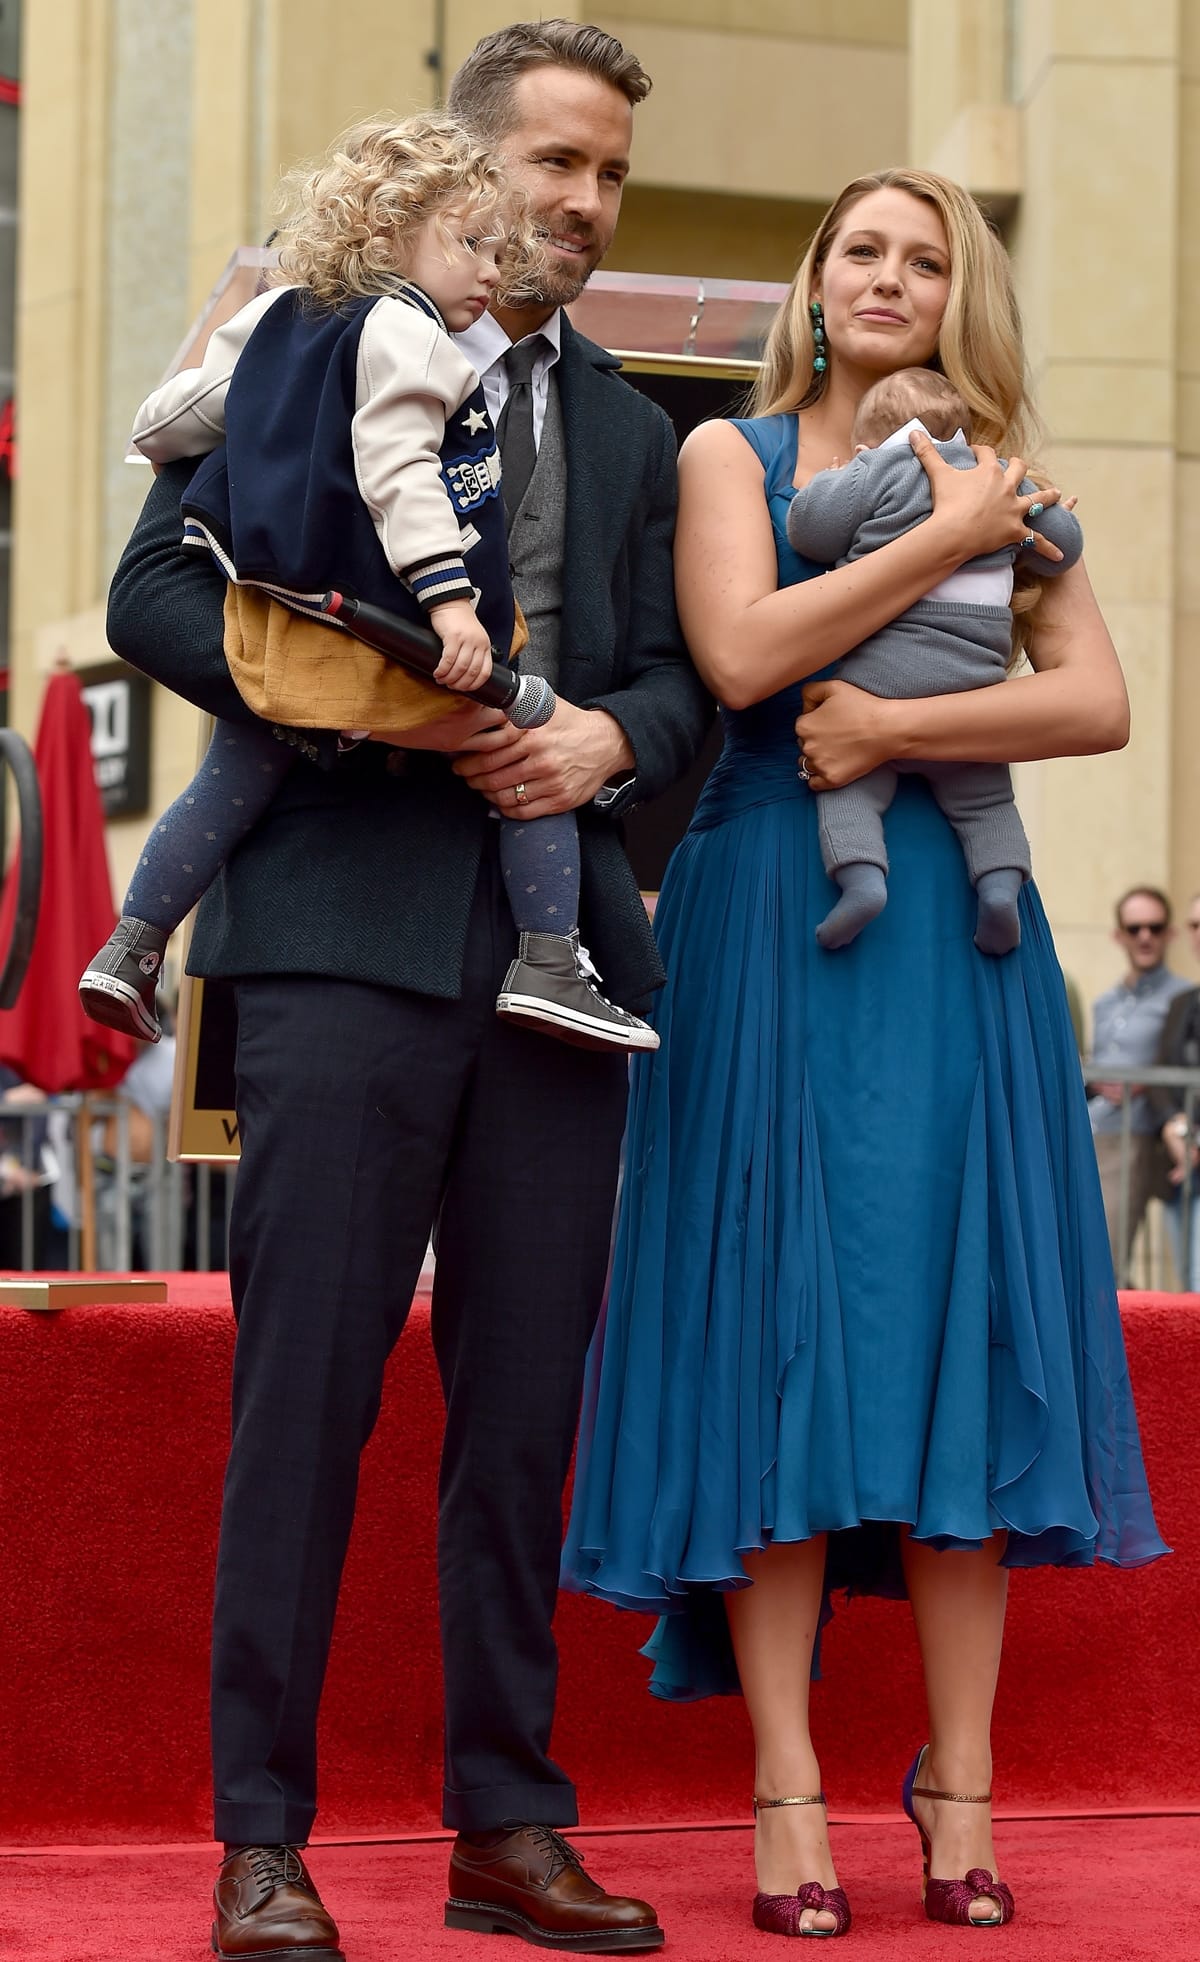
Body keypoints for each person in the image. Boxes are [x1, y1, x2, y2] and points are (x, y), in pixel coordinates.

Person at [104, 20, 710, 1960]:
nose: (587, 206)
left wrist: (605, 750)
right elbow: (154, 593)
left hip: (557, 974)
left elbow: (691, 692)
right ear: (466, 171)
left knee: (522, 1414)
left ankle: (504, 1826)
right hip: (331, 946)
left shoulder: (635, 428)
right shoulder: (302, 340)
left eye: (613, 174)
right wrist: (347, 689)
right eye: (556, 166)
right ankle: (260, 1843)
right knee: (304, 1400)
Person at [562, 166, 1167, 1939]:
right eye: (862, 251)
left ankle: (960, 1784)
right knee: (778, 1345)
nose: (891, 275)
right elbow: (746, 654)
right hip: (766, 924)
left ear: (957, 291)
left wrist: (904, 713)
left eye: (927, 255)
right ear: (816, 285)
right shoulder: (728, 460)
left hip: (955, 944)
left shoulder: (1011, 472)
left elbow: (1097, 701)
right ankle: (787, 1787)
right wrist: (944, 540)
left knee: (959, 1340)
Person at [80, 115, 655, 1057]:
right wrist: (453, 603)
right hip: (393, 621)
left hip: (277, 613)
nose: (488, 270)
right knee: (530, 727)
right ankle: (550, 959)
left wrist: (155, 445)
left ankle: (134, 940)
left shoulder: (280, 315)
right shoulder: (410, 334)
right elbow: (401, 474)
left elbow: (185, 407)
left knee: (238, 765)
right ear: (391, 233)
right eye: (472, 244)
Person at [784, 367, 1082, 953]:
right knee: (987, 798)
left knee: (847, 787)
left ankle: (861, 882)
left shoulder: (877, 467)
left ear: (869, 442)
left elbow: (811, 533)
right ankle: (999, 890)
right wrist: (1051, 519)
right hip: (971, 689)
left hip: (879, 680)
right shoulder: (993, 481)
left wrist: (837, 479)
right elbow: (1062, 550)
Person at [1087, 885, 1193, 1280]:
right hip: (1092, 1133)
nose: (1144, 936)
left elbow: (1177, 1063)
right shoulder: (1105, 1002)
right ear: (1119, 936)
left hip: (1141, 1139)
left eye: (1154, 926)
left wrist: (1144, 1079)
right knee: (1085, 1254)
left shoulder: (1184, 997)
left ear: (1170, 933)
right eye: (1134, 929)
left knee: (1106, 1259)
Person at [1147, 894, 1200, 1291]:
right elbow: (1161, 1073)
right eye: (1195, 926)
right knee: (1187, 1285)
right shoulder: (1183, 1002)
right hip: (1181, 1168)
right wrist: (1174, 1126)